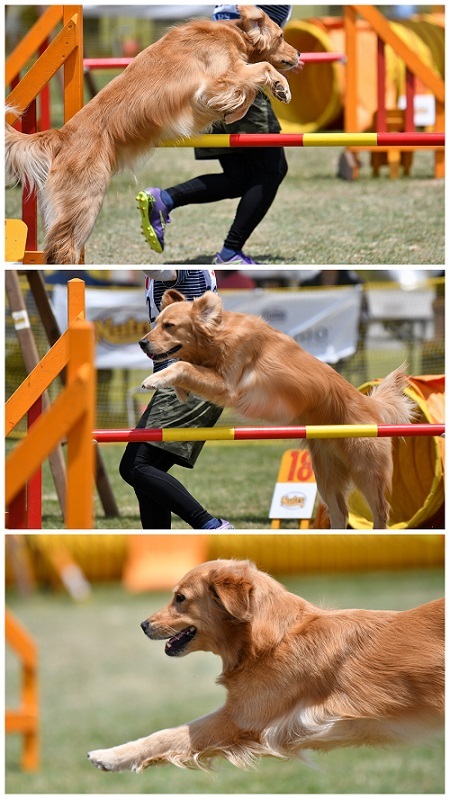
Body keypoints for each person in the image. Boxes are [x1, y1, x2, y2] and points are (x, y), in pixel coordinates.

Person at [136, 5, 301, 265]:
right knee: (272, 170)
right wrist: (278, 59)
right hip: (240, 77)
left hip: (210, 75)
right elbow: (259, 32)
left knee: (238, 178)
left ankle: (164, 199)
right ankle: (230, 252)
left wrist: (282, 55)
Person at [119, 268, 234, 529]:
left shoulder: (183, 269)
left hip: (186, 378)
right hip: (187, 378)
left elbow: (160, 267)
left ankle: (210, 525)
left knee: (134, 466)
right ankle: (160, 542)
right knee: (145, 475)